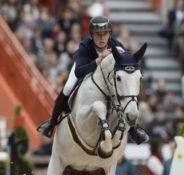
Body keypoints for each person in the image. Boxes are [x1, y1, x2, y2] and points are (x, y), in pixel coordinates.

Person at [37, 16, 149, 145]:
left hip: (106, 79)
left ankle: (134, 130)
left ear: (110, 34)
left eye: (105, 34)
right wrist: (98, 60)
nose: (102, 38)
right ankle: (52, 122)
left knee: (127, 88)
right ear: (91, 35)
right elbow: (79, 71)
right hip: (86, 70)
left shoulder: (117, 46)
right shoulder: (85, 46)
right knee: (68, 87)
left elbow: (126, 67)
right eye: (98, 35)